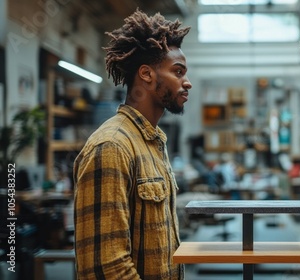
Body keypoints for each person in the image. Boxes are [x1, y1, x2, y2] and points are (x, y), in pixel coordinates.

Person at [73, 9, 192, 279]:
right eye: (178, 72)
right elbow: (105, 267)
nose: (187, 82)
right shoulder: (112, 146)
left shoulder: (151, 142)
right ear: (147, 75)